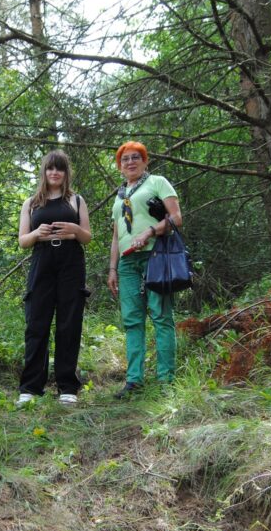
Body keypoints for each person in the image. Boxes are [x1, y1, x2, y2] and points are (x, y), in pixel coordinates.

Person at [106, 141, 183, 398]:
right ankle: (134, 381)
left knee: (161, 316)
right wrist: (112, 269)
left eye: (136, 157)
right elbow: (117, 236)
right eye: (125, 159)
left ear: (145, 161)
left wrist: (150, 230)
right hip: (127, 263)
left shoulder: (157, 182)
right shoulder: (119, 197)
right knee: (132, 320)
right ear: (120, 166)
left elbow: (176, 217)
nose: (130, 162)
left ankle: (165, 381)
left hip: (156, 256)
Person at [16, 150, 92, 406]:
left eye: (59, 169)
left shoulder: (77, 201)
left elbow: (87, 237)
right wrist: (37, 232)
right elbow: (22, 241)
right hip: (42, 262)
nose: (54, 173)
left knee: (69, 324)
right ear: (44, 172)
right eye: (50, 168)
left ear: (65, 173)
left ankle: (67, 386)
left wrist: (74, 230)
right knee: (36, 323)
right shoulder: (31, 203)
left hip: (71, 263)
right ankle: (30, 388)